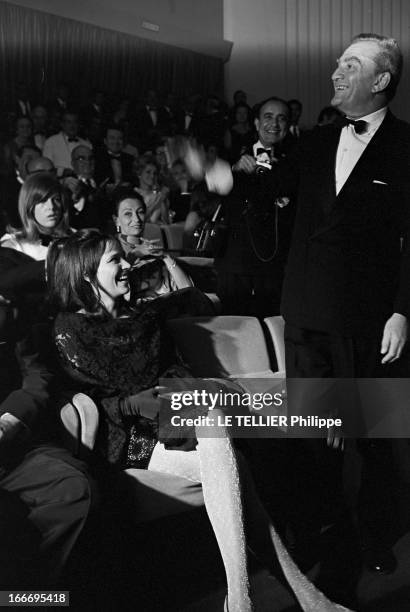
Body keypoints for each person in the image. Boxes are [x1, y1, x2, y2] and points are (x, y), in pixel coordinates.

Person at [48, 229, 351, 612]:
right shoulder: (68, 330)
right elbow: (82, 400)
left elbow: (181, 347)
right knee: (235, 465)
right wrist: (128, 406)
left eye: (124, 257)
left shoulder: (144, 315)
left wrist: (180, 394)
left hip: (170, 423)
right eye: (115, 260)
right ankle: (299, 600)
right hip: (127, 441)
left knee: (214, 420)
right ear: (86, 275)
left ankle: (245, 601)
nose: (127, 266)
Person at [281, 34, 410, 575]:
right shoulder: (313, 141)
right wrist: (226, 177)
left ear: (380, 81)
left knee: (376, 438)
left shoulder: (407, 147)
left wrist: (403, 310)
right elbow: (268, 189)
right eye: (337, 62)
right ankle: (315, 536)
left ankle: (375, 536)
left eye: (350, 65)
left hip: (368, 321)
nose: (336, 72)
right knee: (313, 433)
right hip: (307, 315)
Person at [215, 97, 297, 318]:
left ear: (288, 126)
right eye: (268, 117)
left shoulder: (295, 162)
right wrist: (234, 169)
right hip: (235, 262)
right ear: (257, 123)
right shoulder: (233, 152)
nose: (274, 124)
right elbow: (208, 188)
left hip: (273, 265)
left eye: (281, 119)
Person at [112, 188, 192, 302]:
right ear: (117, 220)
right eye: (128, 214)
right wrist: (135, 255)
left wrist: (166, 257)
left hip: (167, 306)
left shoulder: (151, 247)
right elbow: (114, 294)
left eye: (140, 212)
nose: (136, 219)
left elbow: (188, 290)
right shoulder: (111, 249)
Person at [43, 112, 91, 177]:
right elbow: (45, 167)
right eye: (68, 122)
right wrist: (62, 171)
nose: (72, 125)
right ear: (62, 124)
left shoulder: (86, 144)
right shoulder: (51, 142)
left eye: (75, 122)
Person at [133, 155, 170, 224]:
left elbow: (166, 222)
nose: (152, 176)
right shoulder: (134, 194)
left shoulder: (159, 194)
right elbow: (138, 219)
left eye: (155, 173)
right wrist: (156, 202)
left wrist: (163, 200)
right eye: (148, 172)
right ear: (139, 173)